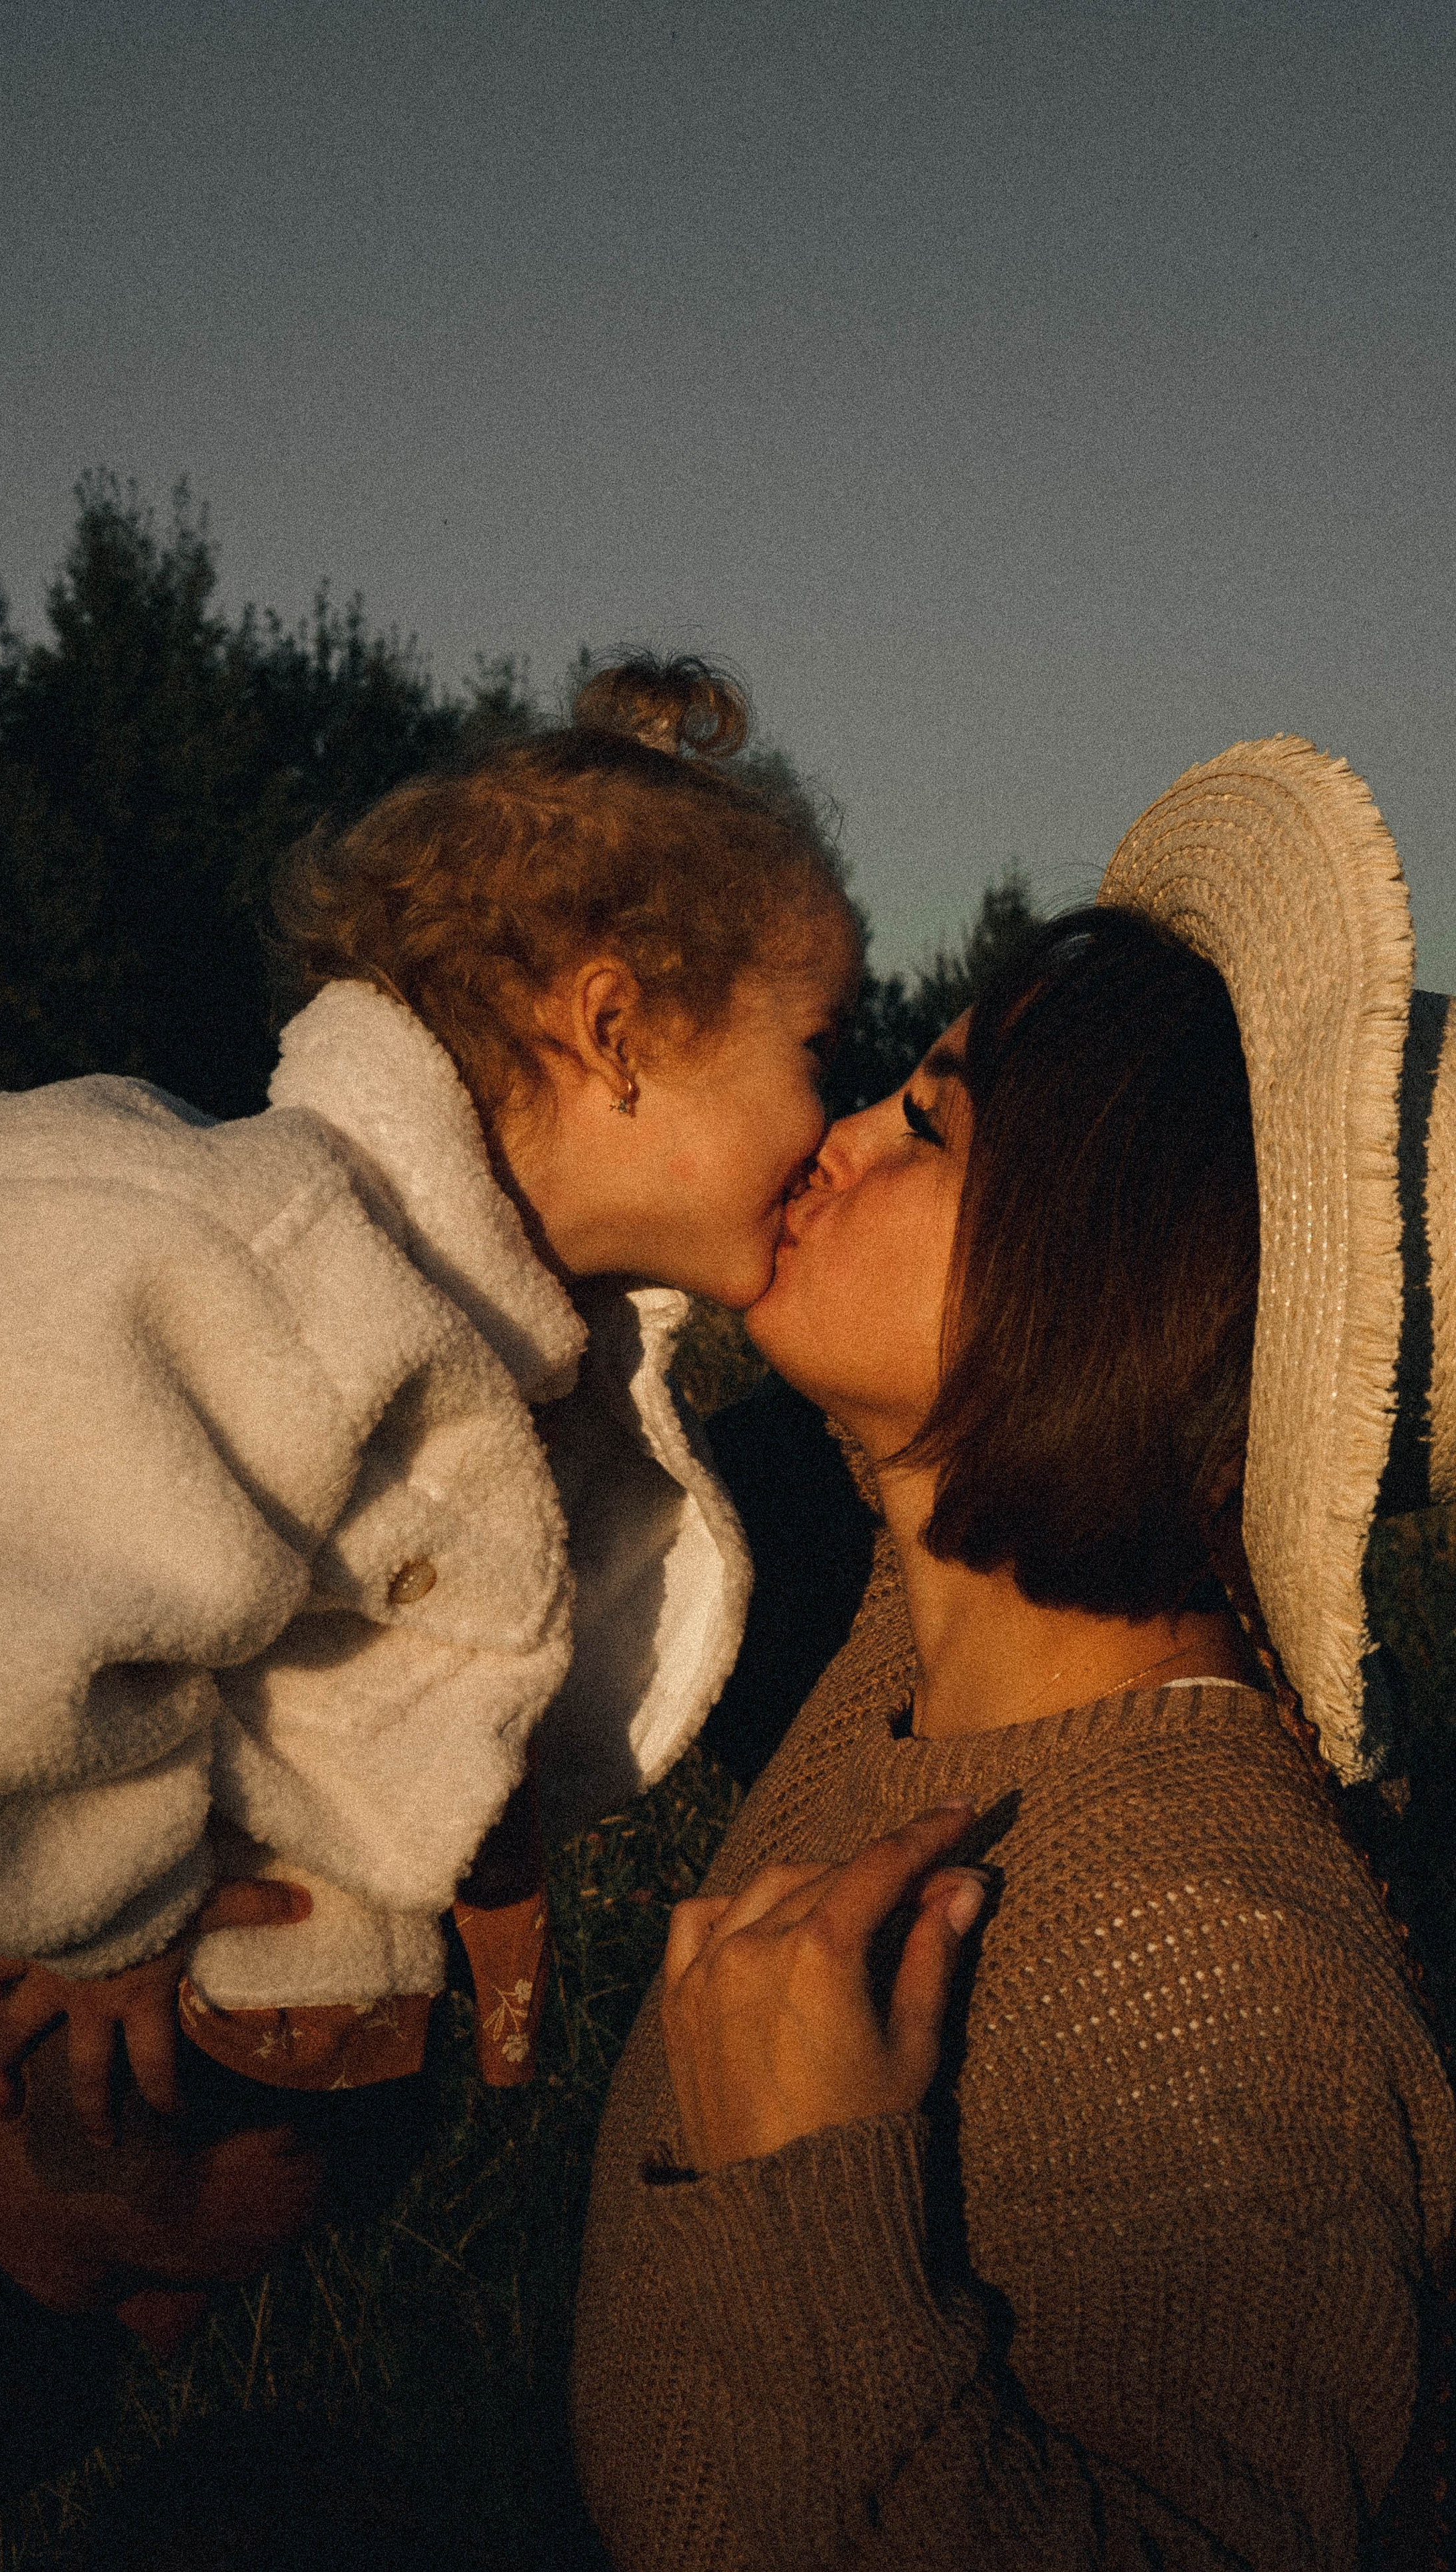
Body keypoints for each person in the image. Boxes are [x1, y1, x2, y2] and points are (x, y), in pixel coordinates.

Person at [0, 657, 860, 2490]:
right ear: (618, 1028)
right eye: (819, 1044)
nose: (839, 1113)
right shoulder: (258, 1252)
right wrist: (85, 1905)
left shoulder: (492, 1331)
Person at [573, 734, 1456, 2570]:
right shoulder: (889, 1606)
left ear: (1114, 1281)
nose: (836, 1134)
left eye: (934, 1123)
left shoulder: (1217, 1960)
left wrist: (803, 2195)